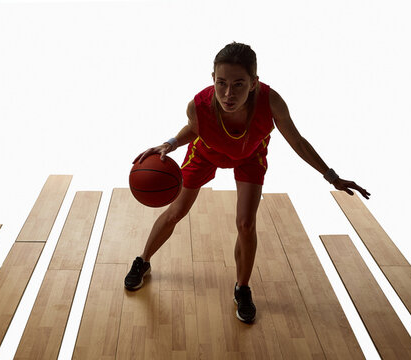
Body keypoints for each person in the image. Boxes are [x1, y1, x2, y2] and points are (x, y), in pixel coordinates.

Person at [125, 42, 370, 323]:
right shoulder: (198, 105)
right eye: (221, 83)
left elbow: (298, 142)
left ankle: (242, 288)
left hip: (249, 156)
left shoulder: (271, 102)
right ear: (213, 78)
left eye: (238, 84)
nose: (228, 93)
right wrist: (170, 143)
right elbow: (194, 129)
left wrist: (332, 176)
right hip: (205, 152)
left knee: (246, 223)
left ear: (254, 82)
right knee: (176, 212)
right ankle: (143, 260)